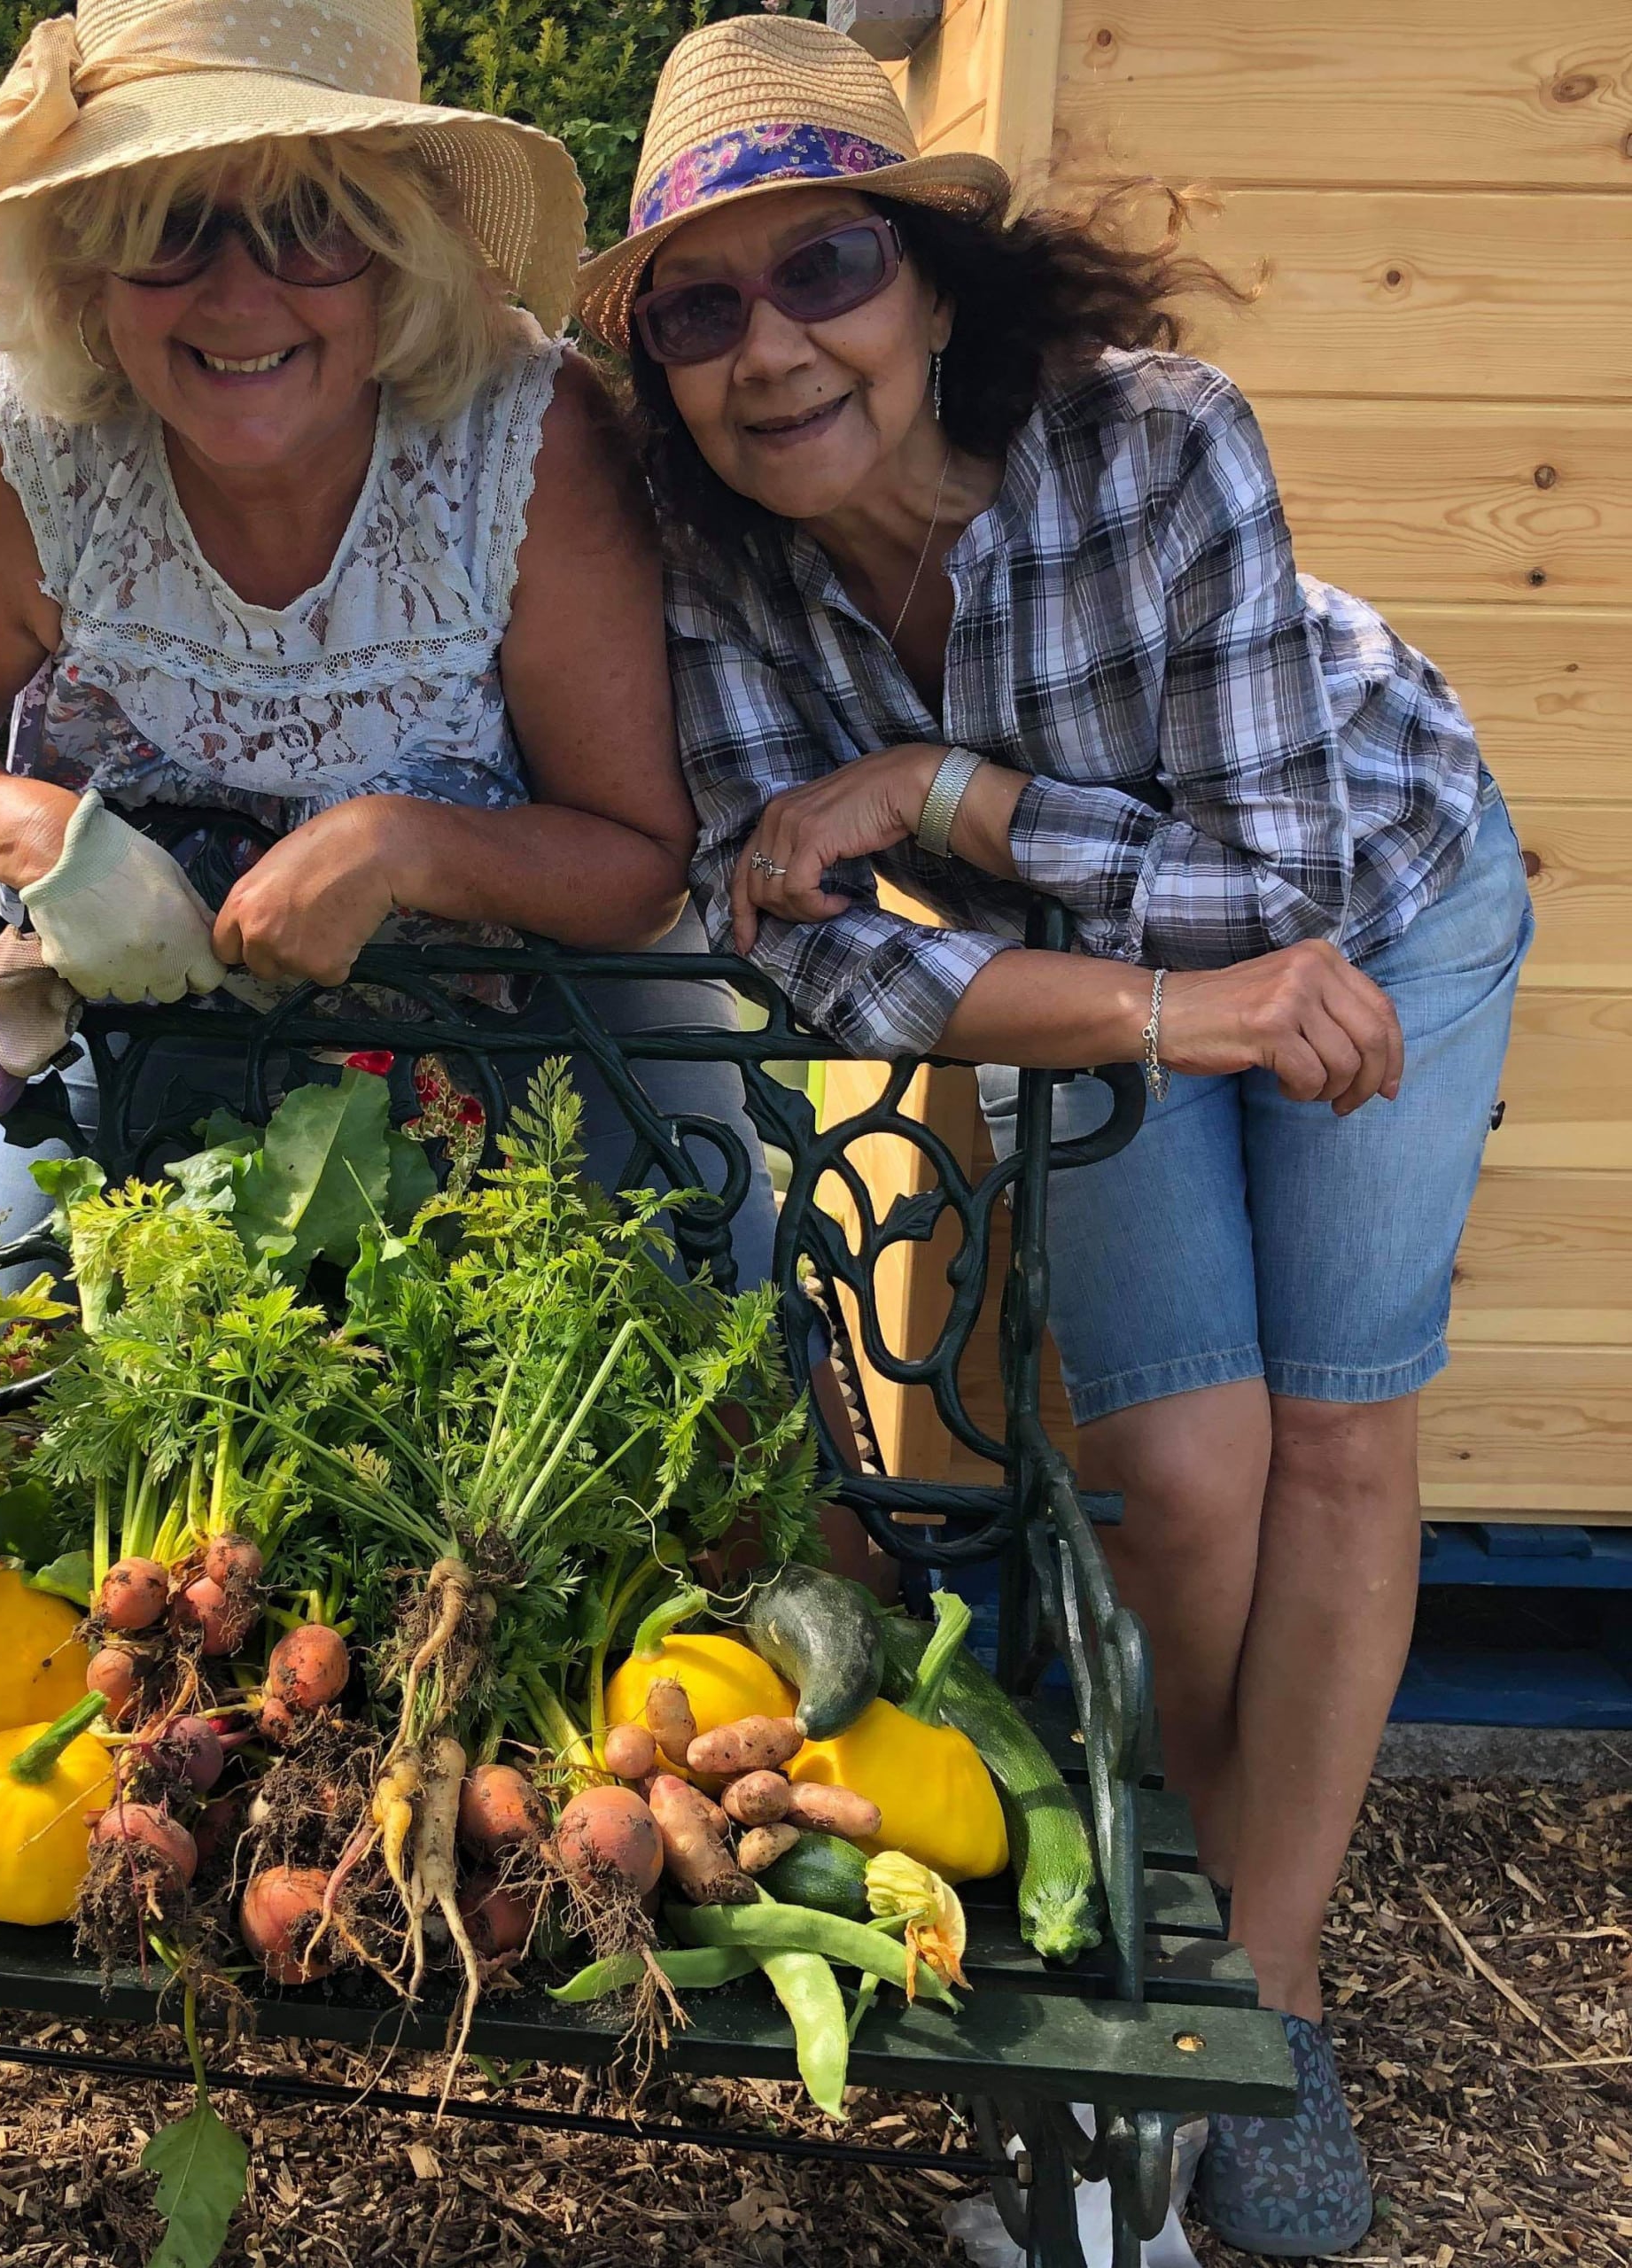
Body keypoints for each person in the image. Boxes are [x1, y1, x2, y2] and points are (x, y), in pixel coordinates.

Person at [575, 18, 1533, 2256]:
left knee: (1337, 1435)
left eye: (819, 269)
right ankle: (1169, 1912)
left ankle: (1250, 1999)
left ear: (926, 279)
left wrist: (939, 795)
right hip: (1113, 983)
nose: (768, 350)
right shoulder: (702, 554)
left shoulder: (1144, 443)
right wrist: (1148, 1002)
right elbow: (814, 955)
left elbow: (1286, 877)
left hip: (1392, 894)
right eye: (698, 312)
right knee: (1178, 1481)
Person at [0, 0, 773, 1287]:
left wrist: (395, 845)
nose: (237, 293)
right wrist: (41, 835)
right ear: (87, 264)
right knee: (9, 1376)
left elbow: (640, 865)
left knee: (690, 1383)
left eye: (309, 226)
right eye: (168, 227)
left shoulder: (526, 442)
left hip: (533, 1028)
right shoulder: (20, 445)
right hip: (148, 1025)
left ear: (399, 252)